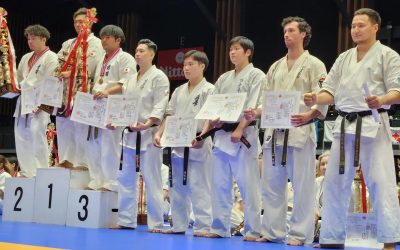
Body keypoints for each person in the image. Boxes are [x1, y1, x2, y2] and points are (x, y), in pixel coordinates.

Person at [304, 8, 400, 249]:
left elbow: (397, 91)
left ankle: (389, 239)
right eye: (353, 26)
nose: (355, 30)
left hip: (374, 123)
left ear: (375, 27)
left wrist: (382, 100)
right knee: (335, 181)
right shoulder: (344, 57)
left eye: (361, 25)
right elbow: (330, 92)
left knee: (381, 180)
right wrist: (315, 97)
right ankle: (331, 238)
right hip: (345, 126)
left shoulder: (388, 56)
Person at [244, 17, 327, 245]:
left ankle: (301, 234)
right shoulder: (275, 66)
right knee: (271, 185)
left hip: (300, 131)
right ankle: (272, 232)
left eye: (291, 30)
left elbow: (321, 98)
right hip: (274, 134)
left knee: (302, 186)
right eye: (284, 31)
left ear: (303, 35)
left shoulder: (315, 64)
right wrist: (256, 113)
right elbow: (266, 99)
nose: (286, 34)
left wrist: (310, 114)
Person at [198, 36, 264, 241]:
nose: (232, 53)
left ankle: (253, 230)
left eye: (237, 49)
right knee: (219, 184)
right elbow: (212, 106)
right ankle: (219, 227)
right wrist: (206, 130)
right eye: (231, 50)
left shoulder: (256, 75)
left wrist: (240, 129)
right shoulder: (224, 78)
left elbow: (253, 107)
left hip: (243, 136)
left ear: (248, 52)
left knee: (248, 186)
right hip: (221, 136)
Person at [154, 50, 213, 236]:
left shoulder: (209, 89)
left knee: (200, 185)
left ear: (202, 66)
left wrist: (202, 137)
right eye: (184, 64)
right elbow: (169, 115)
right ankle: (179, 224)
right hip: (177, 141)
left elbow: (210, 118)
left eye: (190, 64)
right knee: (176, 186)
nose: (186, 68)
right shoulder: (179, 90)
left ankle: (204, 225)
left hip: (198, 141)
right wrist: (159, 133)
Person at [112, 39, 169, 232]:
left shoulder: (159, 77)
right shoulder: (130, 79)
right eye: (136, 51)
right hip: (129, 135)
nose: (137, 54)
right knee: (125, 179)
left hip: (149, 134)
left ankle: (156, 222)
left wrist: (149, 123)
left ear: (152, 54)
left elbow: (161, 104)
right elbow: (124, 104)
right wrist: (116, 120)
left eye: (142, 51)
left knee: (152, 180)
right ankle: (126, 220)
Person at [87, 25, 137, 191]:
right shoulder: (102, 59)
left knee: (110, 146)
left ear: (118, 40)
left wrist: (107, 91)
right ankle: (96, 180)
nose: (104, 40)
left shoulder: (126, 58)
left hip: (114, 108)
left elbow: (126, 83)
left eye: (108, 37)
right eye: (102, 37)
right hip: (98, 106)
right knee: (94, 144)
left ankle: (110, 182)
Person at [56, 7, 104, 169]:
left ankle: (82, 163)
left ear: (90, 22)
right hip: (64, 90)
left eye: (81, 22)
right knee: (63, 124)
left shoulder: (96, 43)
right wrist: (60, 71)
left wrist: (71, 72)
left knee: (80, 126)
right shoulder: (68, 43)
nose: (78, 25)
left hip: (83, 88)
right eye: (75, 22)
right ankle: (65, 160)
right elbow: (59, 60)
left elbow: (91, 64)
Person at [13, 24, 59, 177]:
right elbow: (19, 79)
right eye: (28, 39)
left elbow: (53, 82)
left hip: (39, 104)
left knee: (36, 135)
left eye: (33, 39)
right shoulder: (26, 57)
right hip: (23, 101)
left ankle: (41, 172)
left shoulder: (51, 57)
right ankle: (26, 172)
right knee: (20, 135)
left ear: (43, 39)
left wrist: (44, 104)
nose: (30, 42)